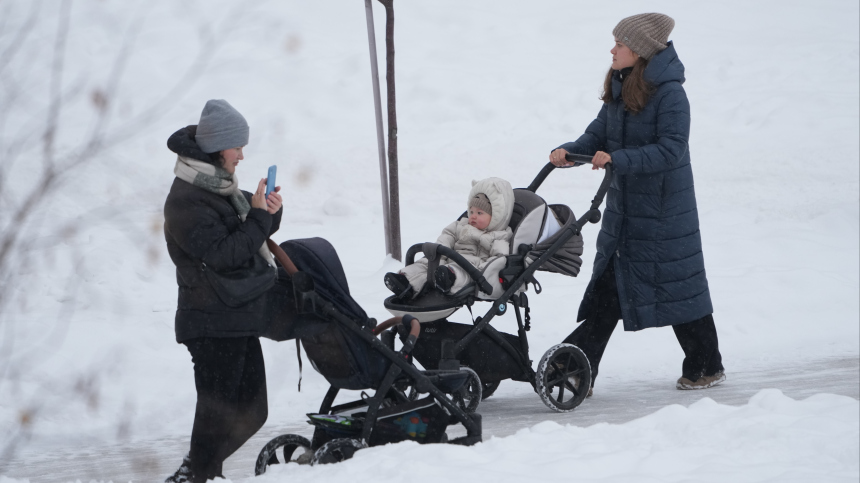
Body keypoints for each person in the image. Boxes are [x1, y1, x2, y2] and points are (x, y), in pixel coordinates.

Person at [549, 13, 725, 394]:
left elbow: (671, 150)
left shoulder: (671, 95)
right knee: (610, 288)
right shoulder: (620, 84)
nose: (612, 50)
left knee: (680, 290)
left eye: (620, 44)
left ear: (641, 51)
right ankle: (579, 366)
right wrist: (571, 152)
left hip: (664, 214)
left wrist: (618, 160)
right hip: (625, 212)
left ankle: (707, 364)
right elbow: (599, 134)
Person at [162, 99, 290, 482]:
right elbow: (224, 254)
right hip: (208, 319)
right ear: (219, 147)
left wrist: (268, 210)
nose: (242, 156)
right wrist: (258, 218)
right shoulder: (185, 199)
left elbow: (246, 232)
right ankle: (199, 474)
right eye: (238, 147)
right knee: (216, 410)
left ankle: (196, 470)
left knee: (253, 410)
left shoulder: (217, 186)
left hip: (233, 315)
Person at [384, 177, 514, 299]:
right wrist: (440, 252)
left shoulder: (499, 236)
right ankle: (405, 281)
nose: (473, 216)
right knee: (427, 265)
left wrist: (482, 272)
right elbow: (448, 235)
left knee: (459, 273)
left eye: (479, 213)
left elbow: (498, 261)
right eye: (472, 211)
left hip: (473, 268)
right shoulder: (461, 225)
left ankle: (447, 279)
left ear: (496, 216)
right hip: (449, 258)